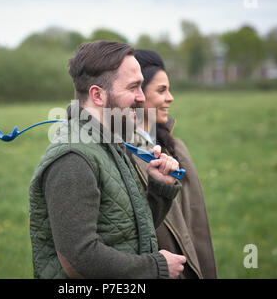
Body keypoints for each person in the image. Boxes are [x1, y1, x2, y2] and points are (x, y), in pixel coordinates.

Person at [28, 41, 187, 279]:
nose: (142, 98)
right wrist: (156, 268)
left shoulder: (110, 144)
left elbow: (126, 231)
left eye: (141, 87)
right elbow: (80, 257)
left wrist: (159, 188)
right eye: (133, 87)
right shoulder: (73, 159)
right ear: (97, 95)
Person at [131, 49, 217, 279]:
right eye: (161, 90)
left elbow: (196, 226)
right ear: (137, 93)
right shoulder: (123, 154)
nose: (170, 98)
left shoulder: (176, 148)